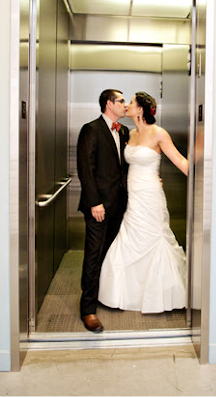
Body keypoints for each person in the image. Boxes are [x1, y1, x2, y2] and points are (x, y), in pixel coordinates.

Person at [98, 91, 189, 314]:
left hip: (150, 196)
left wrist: (204, 175)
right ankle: (128, 295)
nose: (126, 105)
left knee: (153, 238)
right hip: (133, 198)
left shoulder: (159, 133)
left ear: (140, 109)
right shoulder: (129, 134)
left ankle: (160, 296)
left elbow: (179, 161)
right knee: (129, 239)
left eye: (130, 102)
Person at [76, 89, 130, 333]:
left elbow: (124, 168)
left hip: (120, 205)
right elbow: (85, 168)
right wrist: (94, 202)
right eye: (121, 101)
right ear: (109, 104)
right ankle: (88, 309)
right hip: (98, 206)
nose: (125, 105)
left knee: (110, 254)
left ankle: (105, 294)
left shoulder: (124, 131)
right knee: (94, 256)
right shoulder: (91, 129)